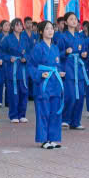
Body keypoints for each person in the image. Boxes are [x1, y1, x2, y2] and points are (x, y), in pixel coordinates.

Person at [29, 20, 63, 149]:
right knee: (43, 112)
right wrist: (39, 74)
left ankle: (53, 138)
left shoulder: (55, 48)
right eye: (47, 29)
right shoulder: (38, 47)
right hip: (43, 84)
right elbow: (31, 65)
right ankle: (43, 139)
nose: (50, 31)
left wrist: (60, 72)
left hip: (55, 83)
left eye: (52, 28)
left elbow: (58, 65)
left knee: (55, 112)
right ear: (41, 31)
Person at [56, 12, 88, 131]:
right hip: (67, 68)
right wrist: (65, 52)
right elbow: (57, 54)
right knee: (70, 96)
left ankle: (76, 121)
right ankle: (65, 119)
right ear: (65, 22)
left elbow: (83, 52)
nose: (74, 21)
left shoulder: (80, 37)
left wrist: (84, 55)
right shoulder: (62, 37)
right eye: (71, 19)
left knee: (80, 96)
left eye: (75, 19)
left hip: (78, 69)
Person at [0, 18, 30, 125]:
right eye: (17, 25)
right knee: (13, 93)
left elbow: (30, 51)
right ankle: (13, 115)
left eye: (21, 25)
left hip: (22, 69)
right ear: (12, 27)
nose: (19, 27)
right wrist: (9, 58)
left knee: (24, 92)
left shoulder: (25, 39)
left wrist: (26, 57)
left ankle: (22, 115)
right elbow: (1, 52)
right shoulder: (7, 39)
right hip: (12, 68)